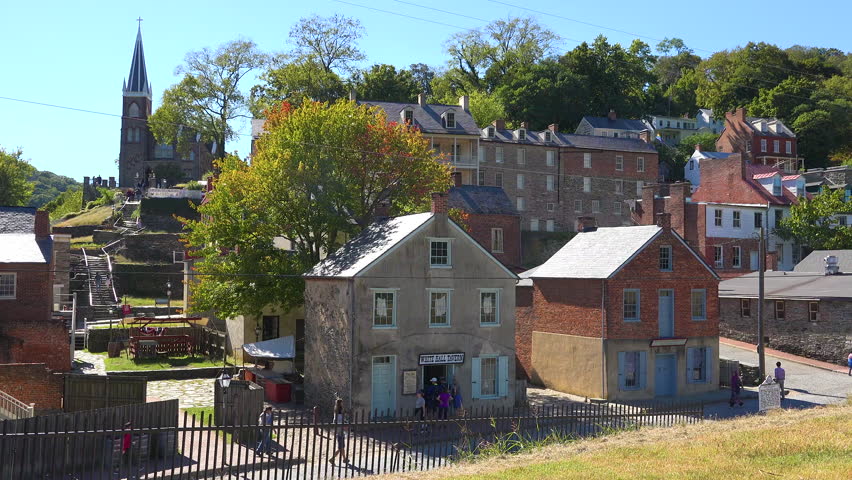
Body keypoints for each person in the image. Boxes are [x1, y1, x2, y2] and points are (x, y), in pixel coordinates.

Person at [329, 399, 348, 464]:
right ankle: (332, 458)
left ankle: (344, 459)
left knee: (342, 447)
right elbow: (337, 422)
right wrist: (344, 424)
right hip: (339, 432)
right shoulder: (337, 414)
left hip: (341, 431)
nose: (343, 404)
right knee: (341, 447)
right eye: (342, 403)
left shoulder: (339, 413)